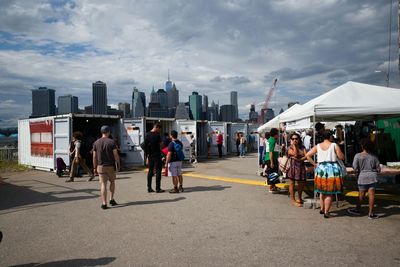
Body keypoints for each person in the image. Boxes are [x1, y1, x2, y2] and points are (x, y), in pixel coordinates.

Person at [306, 131, 345, 218]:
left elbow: (308, 155)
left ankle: (322, 209)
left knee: (322, 191)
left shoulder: (318, 146)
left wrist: (314, 164)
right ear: (330, 137)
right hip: (331, 169)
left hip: (321, 168)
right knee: (329, 192)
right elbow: (341, 157)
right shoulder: (334, 145)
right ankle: (326, 212)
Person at [348, 138, 381, 219]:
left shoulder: (358, 156)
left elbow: (355, 168)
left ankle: (357, 209)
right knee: (372, 195)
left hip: (362, 177)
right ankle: (371, 213)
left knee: (361, 195)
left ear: (362, 146)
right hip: (373, 177)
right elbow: (378, 169)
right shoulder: (374, 156)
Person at [92, 125, 120, 210]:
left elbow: (94, 156)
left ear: (101, 132)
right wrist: (118, 164)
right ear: (108, 132)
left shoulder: (96, 142)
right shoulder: (112, 142)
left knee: (103, 184)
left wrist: (94, 167)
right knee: (112, 182)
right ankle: (111, 199)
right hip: (110, 166)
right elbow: (115, 155)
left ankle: (104, 203)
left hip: (100, 166)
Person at [286, 132, 314, 207]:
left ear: (299, 139)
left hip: (301, 167)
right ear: (291, 140)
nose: (294, 140)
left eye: (296, 138)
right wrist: (294, 146)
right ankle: (293, 200)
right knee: (292, 183)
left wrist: (300, 159)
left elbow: (306, 155)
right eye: (293, 139)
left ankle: (299, 198)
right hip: (292, 168)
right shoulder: (290, 148)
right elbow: (295, 154)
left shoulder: (302, 147)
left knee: (301, 184)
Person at [144, 122, 165, 193]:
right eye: (159, 129)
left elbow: (145, 146)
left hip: (150, 156)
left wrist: (147, 156)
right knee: (158, 171)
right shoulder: (157, 135)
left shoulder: (147, 134)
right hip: (157, 155)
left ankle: (149, 188)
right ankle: (158, 188)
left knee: (150, 171)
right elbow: (161, 145)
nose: (159, 131)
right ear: (156, 127)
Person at [264, 128, 280, 192]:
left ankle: (274, 186)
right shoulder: (272, 141)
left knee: (273, 173)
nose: (278, 135)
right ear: (275, 134)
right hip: (271, 159)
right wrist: (272, 162)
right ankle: (271, 187)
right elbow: (271, 152)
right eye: (277, 133)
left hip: (270, 158)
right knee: (272, 173)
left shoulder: (270, 139)